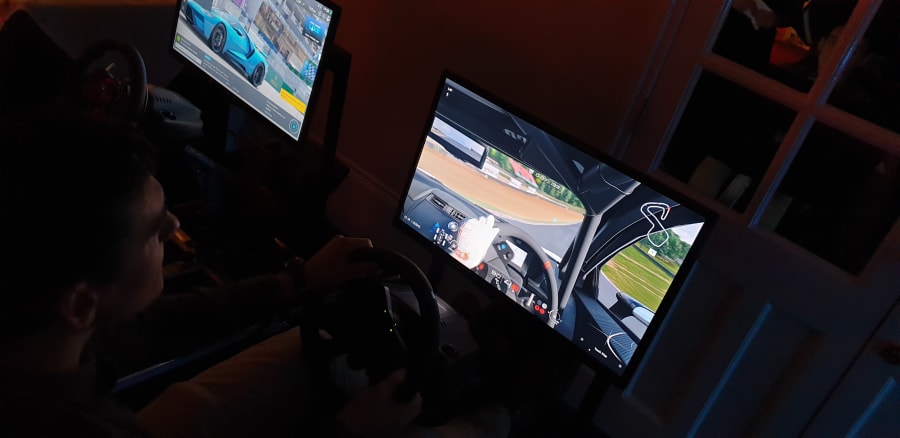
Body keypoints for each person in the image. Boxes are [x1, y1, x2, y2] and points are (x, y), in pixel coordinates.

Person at [0, 110, 425, 437]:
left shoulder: (44, 332)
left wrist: (300, 280)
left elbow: (150, 327)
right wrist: (352, 429)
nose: (174, 225)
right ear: (80, 304)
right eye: (153, 230)